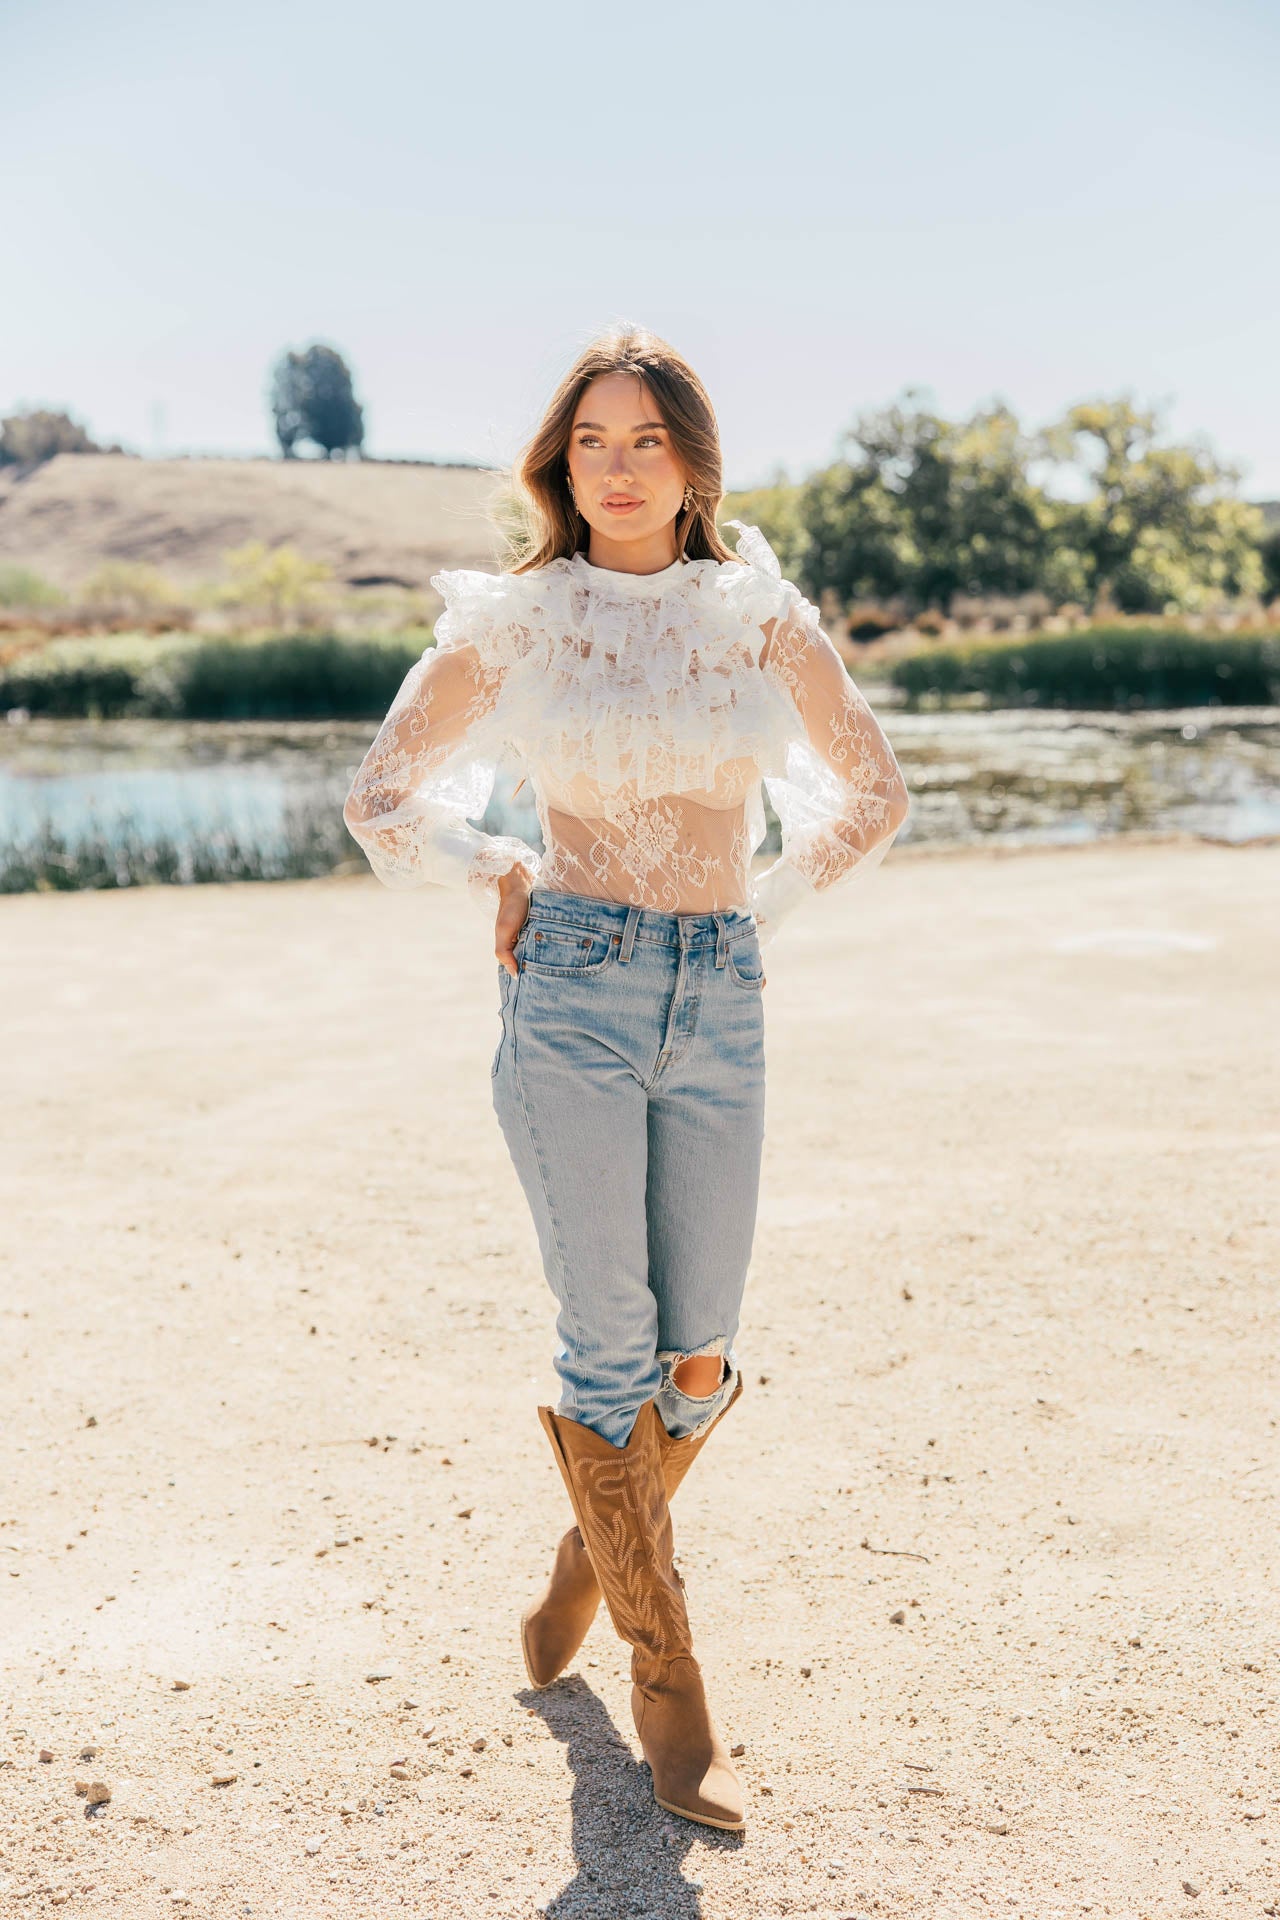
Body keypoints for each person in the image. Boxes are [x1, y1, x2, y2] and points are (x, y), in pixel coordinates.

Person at [342, 327, 909, 1833]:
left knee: (699, 1361)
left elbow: (875, 794)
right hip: (575, 993)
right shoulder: (518, 623)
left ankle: (591, 1559)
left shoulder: (757, 619)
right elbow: (382, 795)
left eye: (645, 439)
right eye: (591, 439)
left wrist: (759, 917)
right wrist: (499, 860)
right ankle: (670, 1689)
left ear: (694, 463)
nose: (617, 465)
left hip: (719, 992)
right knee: (610, 1349)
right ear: (560, 462)